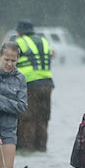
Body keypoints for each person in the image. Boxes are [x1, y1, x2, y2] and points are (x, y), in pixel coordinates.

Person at [14, 19, 55, 151]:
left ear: (20, 32)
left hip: (30, 84)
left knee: (27, 118)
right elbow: (52, 54)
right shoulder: (43, 41)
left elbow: (10, 59)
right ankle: (41, 149)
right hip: (47, 83)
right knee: (43, 118)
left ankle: (28, 150)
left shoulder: (19, 42)